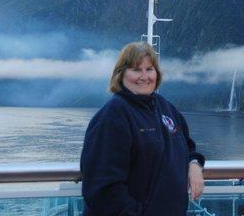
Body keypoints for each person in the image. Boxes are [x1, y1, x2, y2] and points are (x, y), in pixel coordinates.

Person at [80, 42, 205, 216]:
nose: (144, 76)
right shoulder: (112, 117)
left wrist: (194, 164)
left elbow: (188, 146)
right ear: (121, 74)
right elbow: (102, 188)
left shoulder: (166, 109)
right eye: (136, 70)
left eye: (149, 69)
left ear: (157, 74)